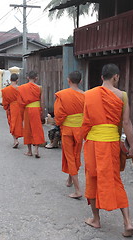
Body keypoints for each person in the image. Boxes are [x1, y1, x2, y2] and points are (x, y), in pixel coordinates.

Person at [82, 63, 133, 237]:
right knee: (114, 180)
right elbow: (127, 123)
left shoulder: (89, 94)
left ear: (102, 77)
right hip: (112, 142)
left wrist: (84, 137)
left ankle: (96, 220)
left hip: (93, 142)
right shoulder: (122, 96)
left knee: (92, 178)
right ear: (116, 77)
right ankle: (127, 222)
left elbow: (86, 121)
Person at [54, 71, 85, 199]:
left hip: (67, 130)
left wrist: (59, 123)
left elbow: (59, 114)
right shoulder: (86, 96)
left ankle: (78, 190)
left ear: (68, 80)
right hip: (80, 129)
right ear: (81, 81)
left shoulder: (62, 95)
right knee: (75, 155)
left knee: (70, 156)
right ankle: (70, 180)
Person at [18, 71, 45, 158]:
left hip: (27, 109)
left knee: (28, 129)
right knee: (36, 128)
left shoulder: (22, 88)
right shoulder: (39, 88)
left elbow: (20, 102)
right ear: (36, 78)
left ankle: (29, 151)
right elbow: (42, 101)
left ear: (27, 77)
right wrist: (42, 112)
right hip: (36, 109)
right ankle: (36, 149)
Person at [1, 73, 23, 148]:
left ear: (10, 80)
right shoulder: (21, 89)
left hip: (11, 107)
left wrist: (6, 106)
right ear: (17, 80)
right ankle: (16, 139)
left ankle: (15, 140)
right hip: (19, 107)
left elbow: (4, 101)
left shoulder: (5, 90)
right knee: (18, 123)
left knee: (12, 123)